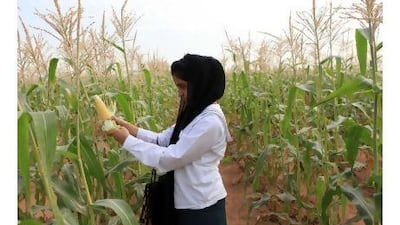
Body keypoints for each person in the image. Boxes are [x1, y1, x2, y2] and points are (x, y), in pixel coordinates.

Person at [107, 53, 232, 225]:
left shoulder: (210, 122)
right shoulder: (195, 113)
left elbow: (172, 157)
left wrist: (127, 141)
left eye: (183, 87)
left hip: (202, 206)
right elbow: (162, 139)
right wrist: (126, 126)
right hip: (186, 200)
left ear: (202, 85)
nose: (180, 94)